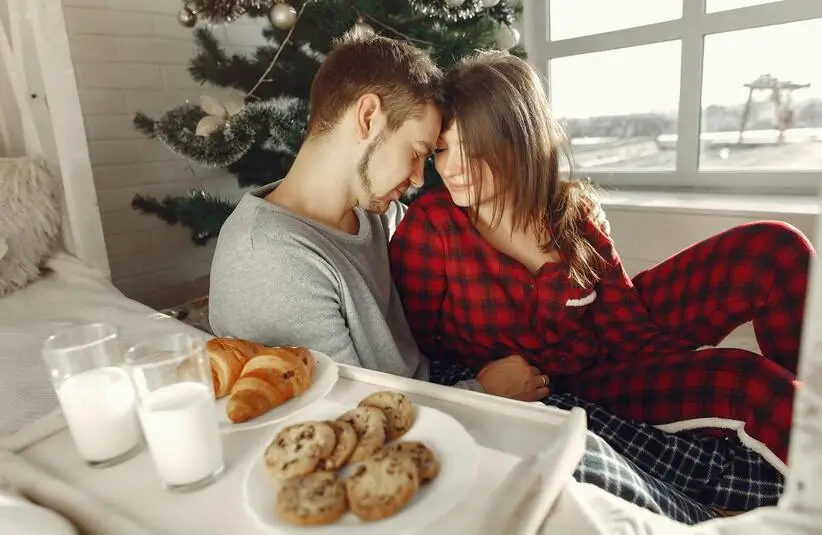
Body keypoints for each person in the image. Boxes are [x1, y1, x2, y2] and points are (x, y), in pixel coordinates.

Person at [208, 32, 781, 521]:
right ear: (367, 118)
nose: (419, 177)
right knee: (582, 454)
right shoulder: (272, 259)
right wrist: (484, 392)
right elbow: (355, 432)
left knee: (649, 442)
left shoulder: (373, 215)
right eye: (419, 152)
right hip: (434, 422)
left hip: (456, 389)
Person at [388, 49, 813, 467]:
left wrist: (684, 367)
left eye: (476, 150)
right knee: (750, 384)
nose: (454, 169)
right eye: (443, 149)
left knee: (776, 249)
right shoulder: (433, 227)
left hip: (613, 347)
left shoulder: (573, 213)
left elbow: (626, 326)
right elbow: (414, 352)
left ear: (521, 144)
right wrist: (483, 387)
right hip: (568, 389)